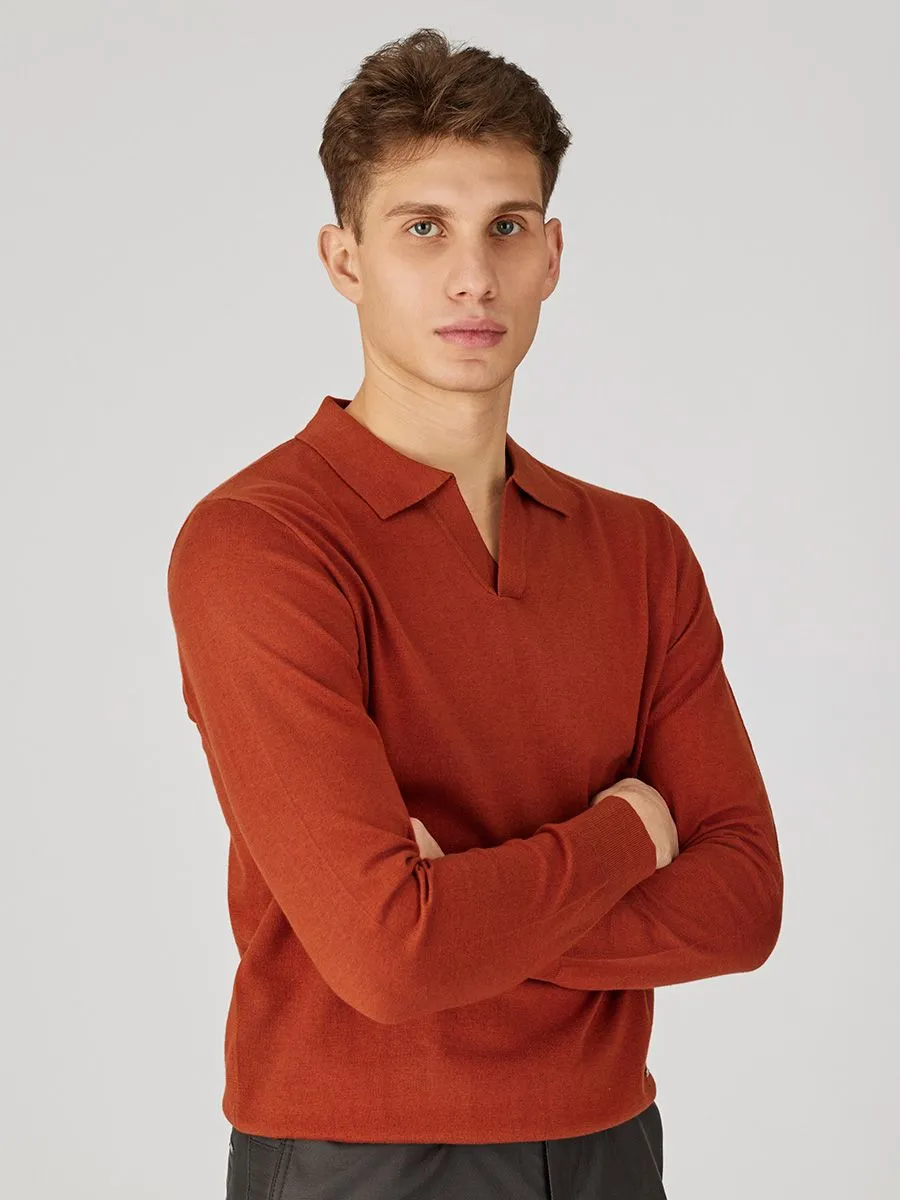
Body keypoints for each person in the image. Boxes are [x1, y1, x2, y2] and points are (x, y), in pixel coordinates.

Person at [166, 26, 783, 1200]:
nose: (471, 276)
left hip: (610, 1145)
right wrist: (629, 836)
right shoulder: (260, 544)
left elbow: (744, 904)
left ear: (552, 254)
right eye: (422, 228)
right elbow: (388, 957)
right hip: (357, 1160)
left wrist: (459, 915)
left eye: (506, 227)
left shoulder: (639, 551)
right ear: (344, 259)